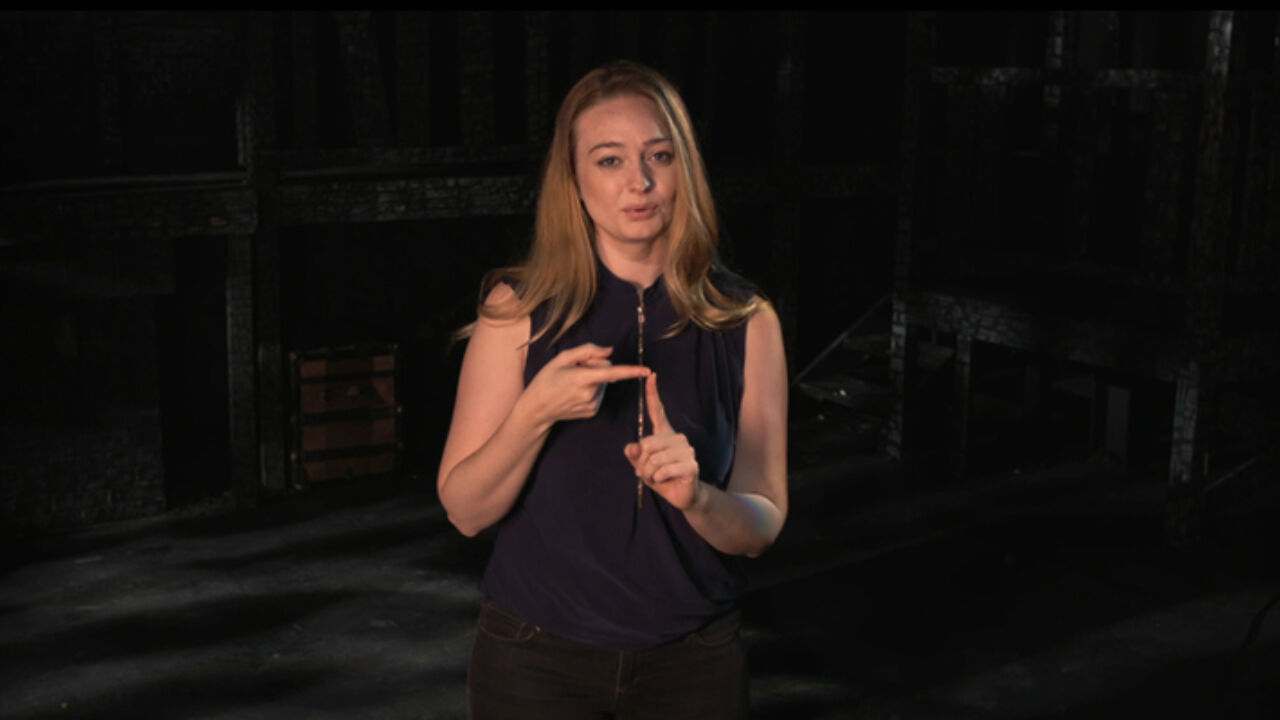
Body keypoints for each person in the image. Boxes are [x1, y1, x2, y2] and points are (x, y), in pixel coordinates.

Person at [437, 59, 788, 719]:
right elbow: (465, 512)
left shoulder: (747, 321)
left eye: (660, 155)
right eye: (609, 160)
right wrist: (534, 415)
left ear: (686, 168)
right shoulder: (516, 311)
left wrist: (700, 499)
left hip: (694, 661)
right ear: (573, 180)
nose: (640, 182)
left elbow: (761, 524)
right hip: (534, 658)